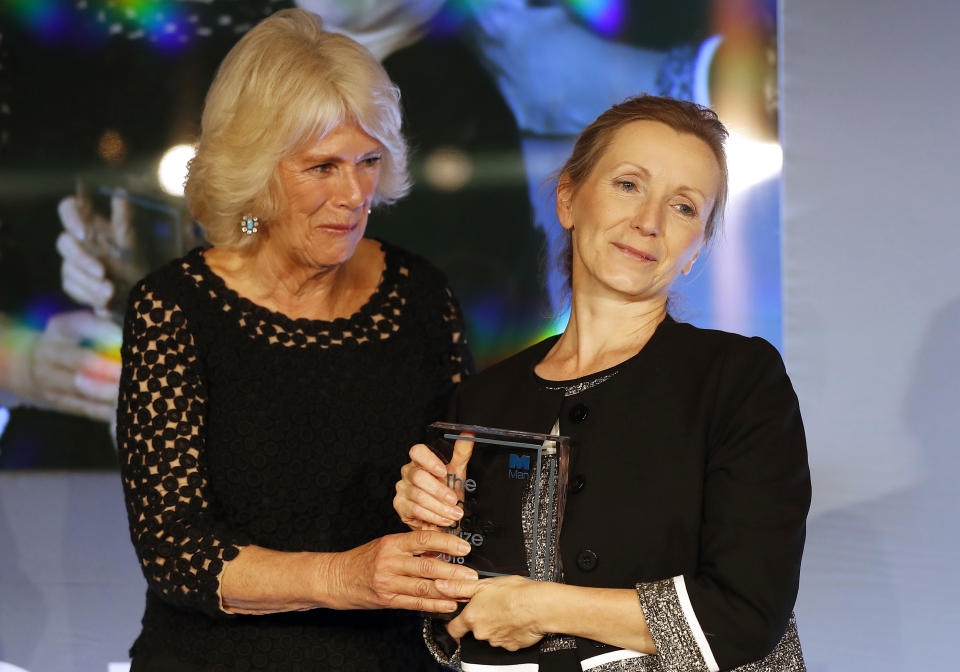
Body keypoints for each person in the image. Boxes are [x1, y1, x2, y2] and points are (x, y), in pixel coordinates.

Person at [115, 9, 480, 671]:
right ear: (256, 171)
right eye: (321, 167)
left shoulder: (422, 294)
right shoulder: (174, 308)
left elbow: (467, 484)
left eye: (368, 161)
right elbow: (175, 553)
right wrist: (345, 577)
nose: (352, 194)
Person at [394, 95, 810, 671]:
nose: (650, 222)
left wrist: (542, 607)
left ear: (695, 253)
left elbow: (744, 612)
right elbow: (454, 618)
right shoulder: (483, 398)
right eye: (628, 185)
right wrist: (427, 530)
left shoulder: (738, 379)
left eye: (684, 207)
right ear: (568, 198)